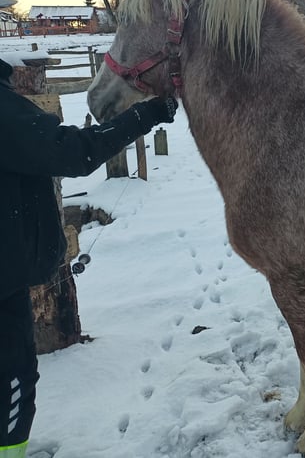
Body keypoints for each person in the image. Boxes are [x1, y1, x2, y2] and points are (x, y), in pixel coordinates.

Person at [0, 57, 177, 457]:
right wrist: (145, 114)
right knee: (13, 380)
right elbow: (74, 152)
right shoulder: (5, 112)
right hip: (4, 281)